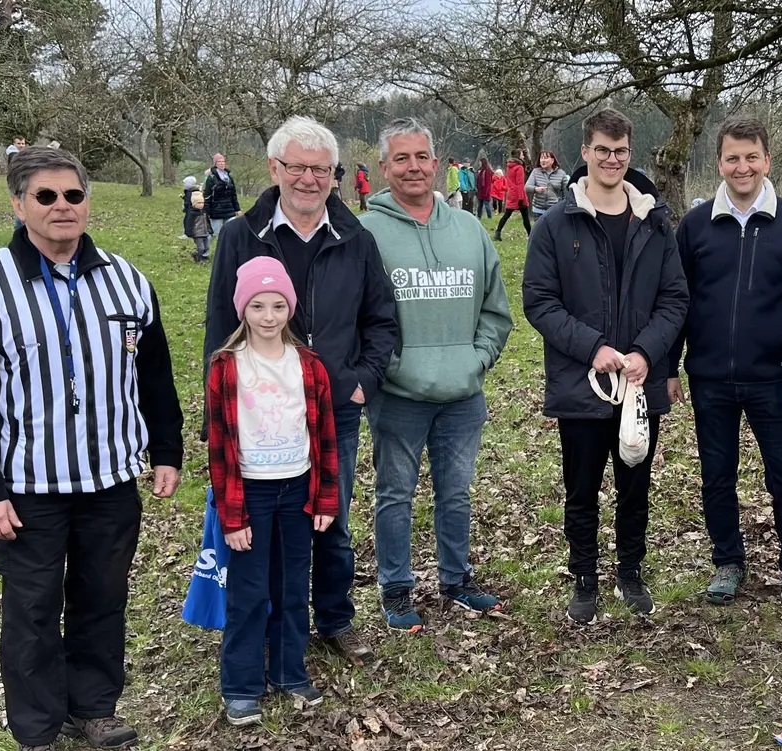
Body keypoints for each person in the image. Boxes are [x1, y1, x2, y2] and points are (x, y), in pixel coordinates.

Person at [0, 148, 184, 751]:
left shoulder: (128, 282)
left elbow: (154, 375)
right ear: (18, 205)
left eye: (72, 195)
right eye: (45, 197)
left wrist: (166, 450)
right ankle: (36, 732)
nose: (61, 208)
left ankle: (95, 708)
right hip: (29, 486)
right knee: (32, 610)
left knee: (103, 598)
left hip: (109, 477)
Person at [203, 116, 398, 667]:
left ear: (334, 176)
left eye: (321, 170)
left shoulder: (356, 237)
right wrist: (216, 416)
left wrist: (362, 382)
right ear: (274, 169)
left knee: (329, 518)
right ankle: (267, 626)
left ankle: (334, 617)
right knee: (261, 528)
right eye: (298, 167)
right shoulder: (243, 235)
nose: (309, 179)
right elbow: (220, 326)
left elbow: (382, 321)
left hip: (333, 408)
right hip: (258, 416)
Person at [522, 108, 689, 625]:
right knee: (582, 485)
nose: (611, 159)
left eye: (620, 151)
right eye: (601, 150)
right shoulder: (556, 224)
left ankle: (630, 571)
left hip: (640, 381)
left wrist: (646, 352)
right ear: (585, 153)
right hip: (583, 380)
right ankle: (584, 576)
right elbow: (539, 300)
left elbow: (675, 298)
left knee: (634, 481)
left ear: (629, 154)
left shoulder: (656, 223)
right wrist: (592, 346)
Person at [669, 117, 782, 609]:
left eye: (751, 157)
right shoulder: (695, 225)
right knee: (717, 474)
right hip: (710, 377)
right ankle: (727, 563)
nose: (742, 167)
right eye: (732, 158)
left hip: (773, 379)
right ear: (719, 163)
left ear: (767, 160)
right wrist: (668, 367)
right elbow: (678, 301)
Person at [361, 119, 515, 631]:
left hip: (462, 393)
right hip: (398, 395)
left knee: (456, 491)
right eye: (401, 158)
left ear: (437, 161)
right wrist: (389, 367)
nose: (413, 167)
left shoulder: (469, 229)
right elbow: (355, 316)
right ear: (384, 167)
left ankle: (457, 580)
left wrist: (478, 359)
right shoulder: (365, 232)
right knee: (395, 493)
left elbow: (496, 310)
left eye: (422, 156)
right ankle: (397, 589)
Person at [206, 256, 340, 726]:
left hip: (297, 490)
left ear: (290, 309)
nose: (268, 317)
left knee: (290, 588)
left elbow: (324, 437)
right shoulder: (226, 367)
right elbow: (220, 447)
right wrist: (232, 515)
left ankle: (289, 670)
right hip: (251, 494)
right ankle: (242, 684)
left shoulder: (308, 366)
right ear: (243, 309)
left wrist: (325, 498)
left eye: (278, 306)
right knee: (248, 591)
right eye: (258, 306)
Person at [494, 153, 531, 240]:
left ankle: (498, 232)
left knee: (506, 215)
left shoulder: (509, 166)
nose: (523, 156)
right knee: (525, 216)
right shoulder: (519, 168)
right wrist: (521, 198)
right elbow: (520, 184)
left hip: (511, 193)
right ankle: (531, 234)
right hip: (519, 194)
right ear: (518, 156)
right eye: (522, 155)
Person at [203, 153, 242, 237]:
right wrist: (207, 212)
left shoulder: (229, 177)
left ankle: (228, 250)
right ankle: (204, 249)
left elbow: (233, 195)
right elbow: (207, 196)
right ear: (215, 164)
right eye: (219, 162)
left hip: (229, 209)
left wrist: (237, 209)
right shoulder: (211, 178)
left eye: (223, 161)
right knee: (214, 233)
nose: (221, 163)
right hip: (216, 210)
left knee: (231, 233)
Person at [527, 150, 570, 221]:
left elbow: (566, 193)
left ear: (552, 160)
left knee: (553, 231)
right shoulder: (535, 172)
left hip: (554, 210)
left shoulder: (561, 174)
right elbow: (527, 187)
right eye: (541, 158)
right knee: (540, 232)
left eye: (546, 158)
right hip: (538, 210)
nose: (543, 160)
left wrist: (563, 207)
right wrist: (535, 189)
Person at [182, 175, 210, 262]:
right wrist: (189, 232)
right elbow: (188, 222)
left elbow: (207, 221)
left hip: (205, 232)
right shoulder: (192, 213)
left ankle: (198, 255)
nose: (201, 204)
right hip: (197, 233)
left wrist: (210, 229)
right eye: (199, 203)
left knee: (207, 247)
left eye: (202, 203)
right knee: (201, 248)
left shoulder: (204, 212)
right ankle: (199, 259)